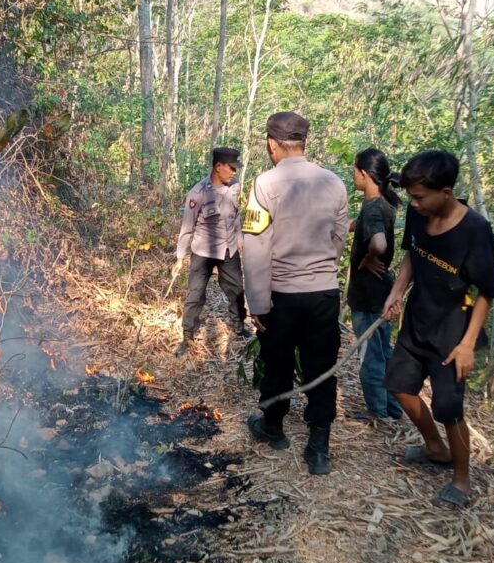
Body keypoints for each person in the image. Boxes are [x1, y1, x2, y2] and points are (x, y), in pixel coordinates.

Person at [381, 150, 494, 508]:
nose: (414, 204)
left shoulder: (475, 230)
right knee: (400, 387)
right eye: (411, 197)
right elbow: (411, 255)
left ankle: (462, 479)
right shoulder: (419, 214)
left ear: (446, 191)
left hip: (452, 330)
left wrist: (467, 345)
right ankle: (435, 448)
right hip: (417, 320)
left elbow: (487, 292)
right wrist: (395, 293)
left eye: (419, 197)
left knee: (449, 409)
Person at [242, 112, 348, 475]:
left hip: (282, 295)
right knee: (322, 368)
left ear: (272, 144)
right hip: (322, 294)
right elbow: (338, 240)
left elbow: (255, 245)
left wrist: (256, 302)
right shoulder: (334, 182)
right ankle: (318, 447)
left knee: (278, 362)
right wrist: (317, 269)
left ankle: (273, 428)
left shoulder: (265, 183)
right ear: (305, 141)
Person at [172, 146, 249, 356]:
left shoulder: (234, 186)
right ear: (218, 167)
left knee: (237, 290)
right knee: (195, 295)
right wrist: (180, 257)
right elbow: (187, 227)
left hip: (229, 249)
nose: (234, 172)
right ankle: (188, 336)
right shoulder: (198, 193)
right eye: (231, 168)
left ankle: (238, 326)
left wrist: (240, 239)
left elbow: (236, 215)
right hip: (203, 251)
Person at [348, 148, 404, 422]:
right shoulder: (383, 203)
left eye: (354, 171)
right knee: (384, 352)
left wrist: (370, 256)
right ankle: (393, 408)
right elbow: (367, 225)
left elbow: (379, 242)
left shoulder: (372, 206)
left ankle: (378, 412)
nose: (352, 176)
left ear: (364, 174)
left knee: (370, 356)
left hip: (369, 293)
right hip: (382, 291)